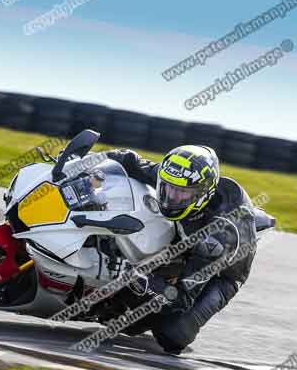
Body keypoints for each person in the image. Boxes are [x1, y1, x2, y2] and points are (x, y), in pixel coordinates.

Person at [103, 145, 258, 354]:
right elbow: (130, 161)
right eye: (168, 188)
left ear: (202, 194)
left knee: (173, 336)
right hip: (185, 236)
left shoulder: (218, 237)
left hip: (222, 272)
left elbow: (181, 299)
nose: (172, 198)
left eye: (181, 193)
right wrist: (85, 161)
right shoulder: (179, 177)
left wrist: (139, 278)